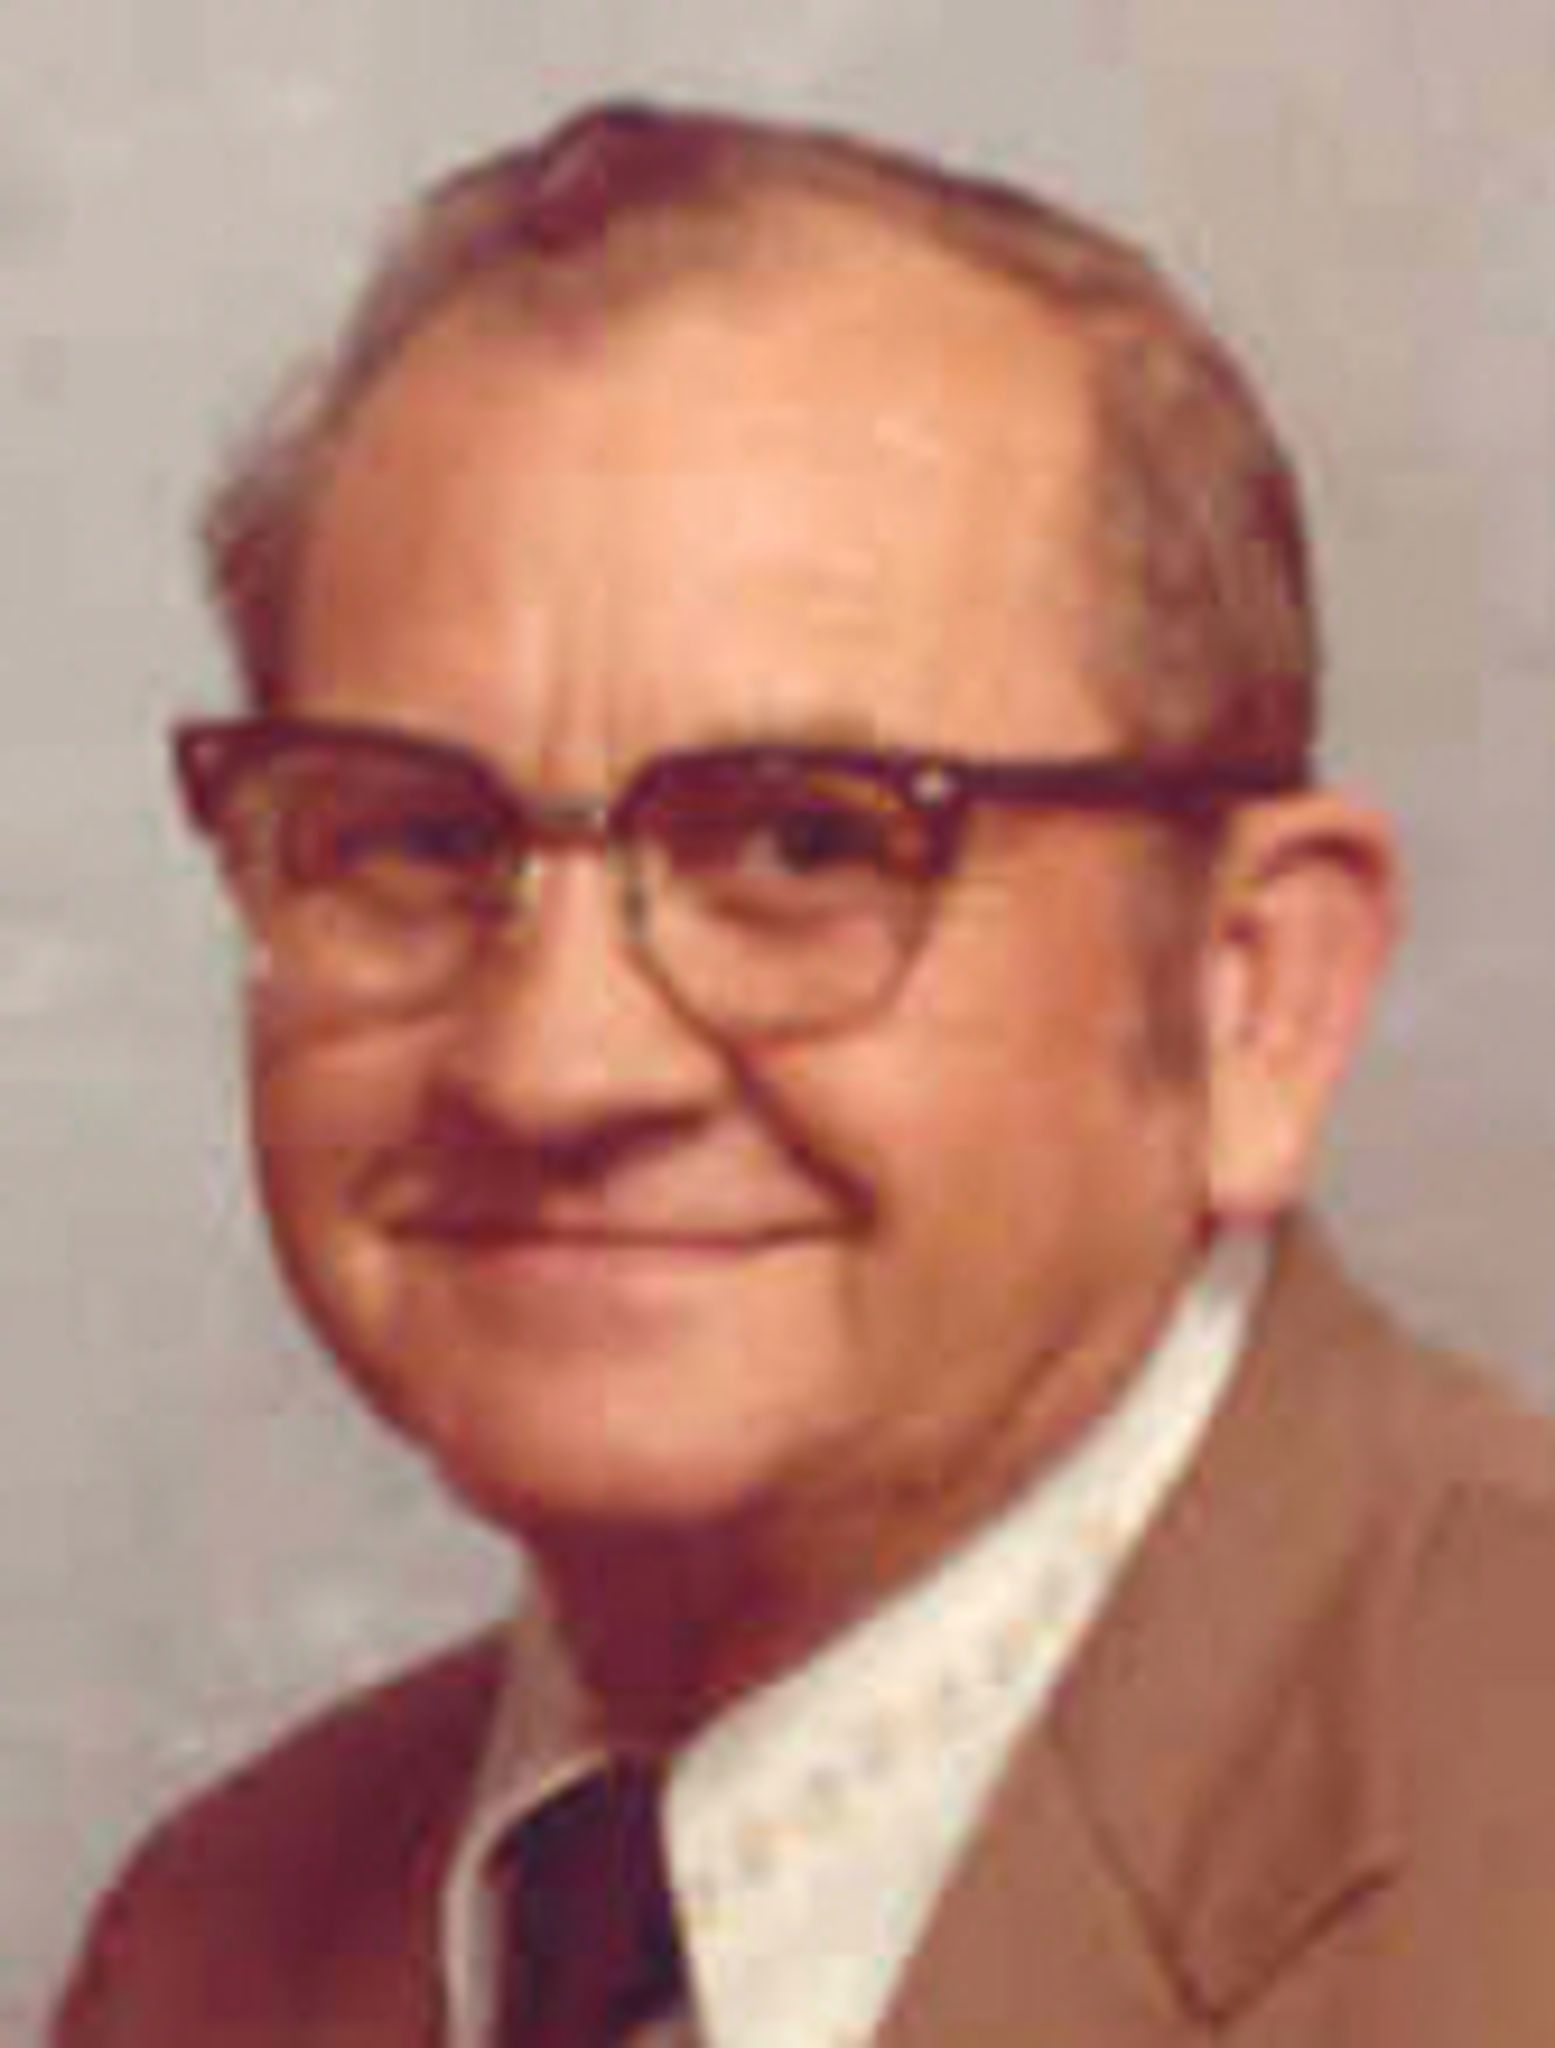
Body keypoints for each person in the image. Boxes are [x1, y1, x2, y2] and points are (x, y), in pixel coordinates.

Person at [55, 101, 1555, 2047]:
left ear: (1250, 993)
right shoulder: (211, 1950)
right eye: (414, 837)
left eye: (803, 843)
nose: (549, 1065)